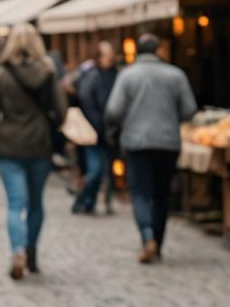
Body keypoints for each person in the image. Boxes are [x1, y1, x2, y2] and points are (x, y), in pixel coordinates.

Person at [0, 23, 67, 280]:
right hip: (39, 144)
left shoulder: (0, 75)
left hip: (9, 145)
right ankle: (32, 252)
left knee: (16, 204)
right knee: (36, 203)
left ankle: (17, 251)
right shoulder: (48, 74)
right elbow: (60, 113)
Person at [105, 33, 197, 263]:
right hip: (167, 142)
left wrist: (128, 120)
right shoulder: (175, 75)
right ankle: (158, 241)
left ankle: (147, 237)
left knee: (140, 193)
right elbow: (189, 110)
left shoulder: (127, 75)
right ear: (158, 51)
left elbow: (113, 111)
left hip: (136, 143)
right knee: (161, 194)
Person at [73, 40, 119, 215]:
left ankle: (100, 201)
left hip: (110, 131)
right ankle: (84, 200)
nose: (109, 57)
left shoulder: (116, 74)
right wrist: (97, 123)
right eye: (106, 53)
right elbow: (87, 100)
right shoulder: (92, 75)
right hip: (93, 131)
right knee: (95, 171)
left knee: (107, 170)